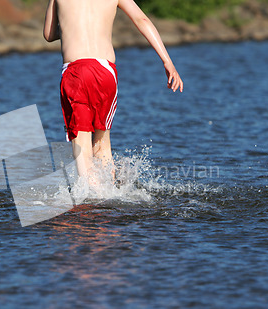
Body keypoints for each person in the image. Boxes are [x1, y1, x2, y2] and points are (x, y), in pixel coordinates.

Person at [44, 0, 183, 184]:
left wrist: (69, 26)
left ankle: (89, 202)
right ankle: (108, 200)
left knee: (81, 146)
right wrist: (167, 61)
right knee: (102, 143)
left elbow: (48, 34)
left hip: (75, 72)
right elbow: (141, 19)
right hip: (105, 71)